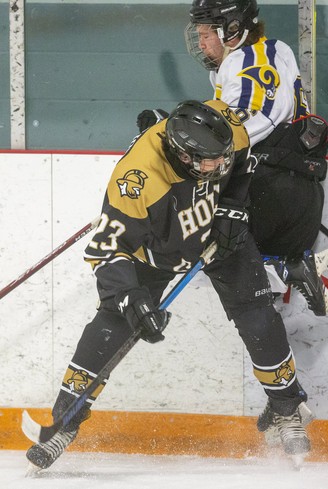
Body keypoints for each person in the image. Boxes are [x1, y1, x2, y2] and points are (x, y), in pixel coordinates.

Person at [26, 100, 312, 472]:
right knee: (113, 322)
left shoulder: (225, 126)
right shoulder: (137, 179)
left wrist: (231, 208)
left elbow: (241, 165)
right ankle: (66, 420)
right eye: (209, 163)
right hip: (154, 254)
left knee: (258, 315)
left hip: (220, 238)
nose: (218, 167)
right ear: (181, 154)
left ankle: (286, 410)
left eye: (219, 158)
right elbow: (107, 251)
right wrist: (131, 299)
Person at [137, 0, 328, 317]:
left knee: (181, 220)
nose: (201, 42)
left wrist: (166, 142)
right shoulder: (264, 55)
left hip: (269, 193)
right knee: (248, 299)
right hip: (288, 198)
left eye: (207, 33)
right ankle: (282, 270)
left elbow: (232, 135)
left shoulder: (252, 61)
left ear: (232, 31)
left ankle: (133, 301)